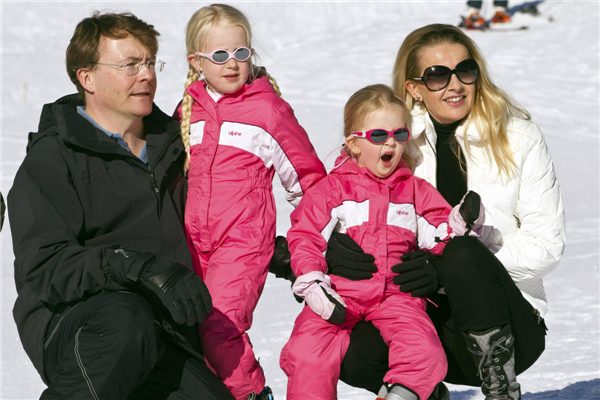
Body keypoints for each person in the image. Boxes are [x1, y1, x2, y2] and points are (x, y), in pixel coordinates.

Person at [326, 24, 565, 400]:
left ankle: (502, 391)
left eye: (465, 70)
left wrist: (448, 269)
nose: (455, 85)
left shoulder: (518, 137)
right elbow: (343, 207)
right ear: (414, 88)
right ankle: (422, 390)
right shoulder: (393, 142)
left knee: (463, 251)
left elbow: (547, 246)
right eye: (438, 76)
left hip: (511, 326)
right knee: (345, 350)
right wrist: (331, 251)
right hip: (423, 324)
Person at [7, 11, 235, 400]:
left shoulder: (176, 145)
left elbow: (219, 221)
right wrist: (135, 266)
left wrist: (291, 253)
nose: (146, 74)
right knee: (125, 319)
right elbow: (44, 265)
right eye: (130, 65)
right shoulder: (52, 158)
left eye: (149, 62)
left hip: (168, 329)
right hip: (79, 324)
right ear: (87, 77)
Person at [279, 84, 485, 400]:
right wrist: (313, 283)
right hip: (340, 294)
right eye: (378, 136)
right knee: (307, 351)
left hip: (397, 296)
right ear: (354, 144)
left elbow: (440, 234)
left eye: (399, 135)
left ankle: (400, 395)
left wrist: (461, 223)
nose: (390, 143)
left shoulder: (414, 191)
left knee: (423, 350)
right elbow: (307, 237)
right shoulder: (332, 191)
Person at [173, 4, 326, 400]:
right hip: (191, 242)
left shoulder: (268, 111)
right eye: (220, 56)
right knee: (189, 330)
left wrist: (309, 242)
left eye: (241, 54)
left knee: (220, 328)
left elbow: (308, 181)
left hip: (243, 242)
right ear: (197, 61)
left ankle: (252, 395)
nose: (232, 64)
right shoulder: (186, 113)